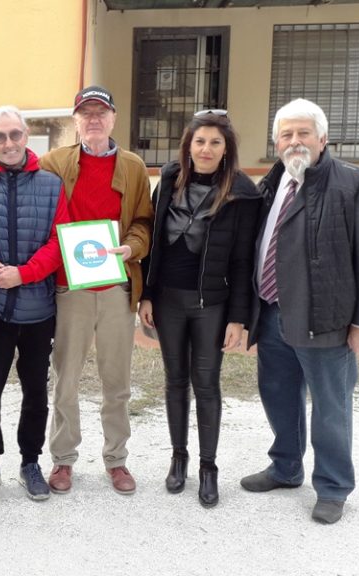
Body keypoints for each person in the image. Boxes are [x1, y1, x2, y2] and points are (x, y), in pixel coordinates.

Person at [0, 86, 153, 495]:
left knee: (116, 382)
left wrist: (132, 248)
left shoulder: (134, 166)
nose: (93, 119)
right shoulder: (56, 162)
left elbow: (144, 221)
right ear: (76, 121)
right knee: (66, 378)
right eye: (85, 113)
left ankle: (117, 459)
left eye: (100, 112)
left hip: (116, 287)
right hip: (69, 287)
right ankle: (63, 460)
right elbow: (15, 161)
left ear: (112, 119)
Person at [240, 98, 359, 524]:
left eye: (303, 132)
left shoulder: (353, 184)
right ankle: (286, 467)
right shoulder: (271, 184)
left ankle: (333, 486)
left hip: (326, 319)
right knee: (278, 396)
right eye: (286, 134)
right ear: (276, 142)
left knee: (330, 406)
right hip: (271, 313)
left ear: (322, 138)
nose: (295, 141)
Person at [138, 110, 261, 508]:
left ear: (227, 149)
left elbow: (244, 261)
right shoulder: (170, 179)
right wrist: (147, 295)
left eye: (215, 142)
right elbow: (155, 241)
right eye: (199, 141)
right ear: (188, 146)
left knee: (206, 384)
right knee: (175, 381)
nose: (206, 149)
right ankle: (179, 459)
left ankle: (209, 467)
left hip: (211, 305)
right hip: (168, 300)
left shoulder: (242, 192)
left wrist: (239, 318)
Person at [0, 105, 70, 504]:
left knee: (35, 391)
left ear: (27, 136)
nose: (9, 143)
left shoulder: (52, 185)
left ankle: (30, 462)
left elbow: (61, 242)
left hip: (38, 309)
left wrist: (25, 273)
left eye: (15, 134)